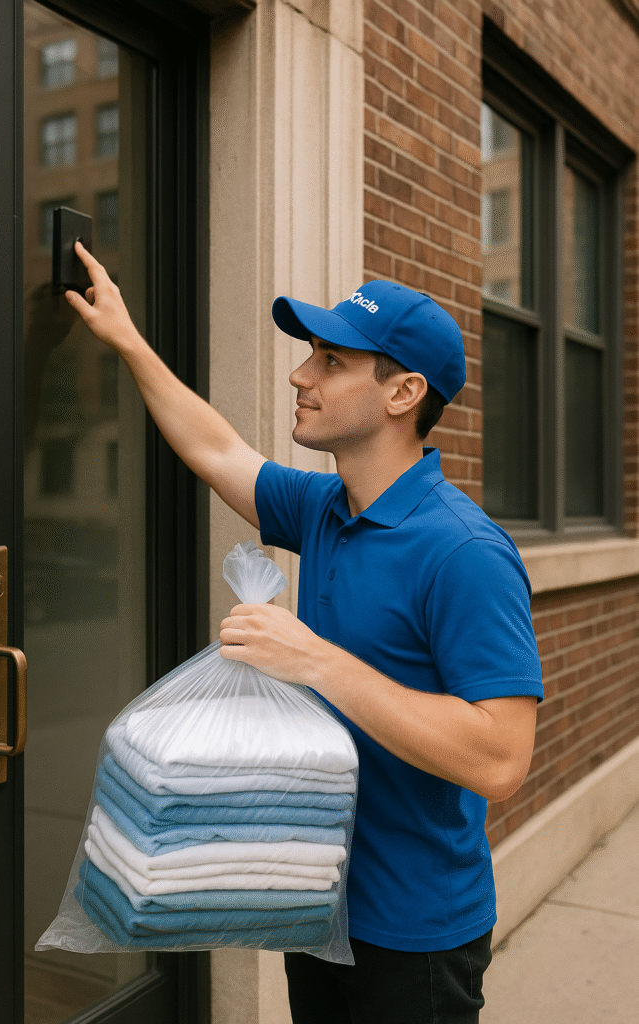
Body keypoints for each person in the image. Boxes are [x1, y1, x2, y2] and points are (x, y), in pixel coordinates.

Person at [65, 242, 543, 1024]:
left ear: (403, 392)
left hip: (415, 931)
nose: (299, 377)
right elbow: (215, 447)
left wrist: (319, 663)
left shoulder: (463, 551)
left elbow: (499, 758)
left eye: (329, 361)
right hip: (312, 897)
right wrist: (125, 338)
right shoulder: (326, 507)